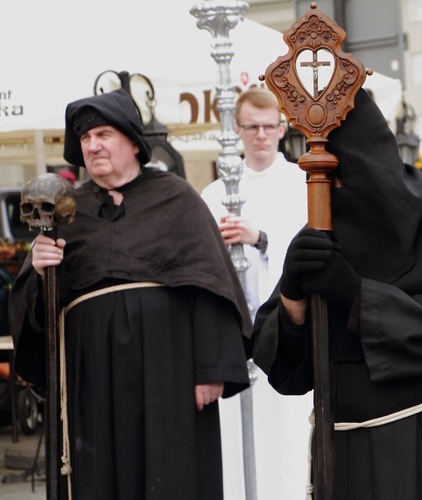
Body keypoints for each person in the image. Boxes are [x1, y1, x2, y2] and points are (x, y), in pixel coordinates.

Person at [251, 88, 422, 500]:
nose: (331, 191)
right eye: (319, 180)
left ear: (368, 160)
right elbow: (287, 373)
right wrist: (292, 296)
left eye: (337, 174)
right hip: (344, 456)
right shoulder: (323, 232)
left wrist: (355, 295)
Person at [9, 88, 252, 499]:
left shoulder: (177, 199)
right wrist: (39, 269)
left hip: (168, 368)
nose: (93, 145)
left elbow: (210, 282)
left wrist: (210, 369)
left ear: (134, 143)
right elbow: (36, 309)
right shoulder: (65, 211)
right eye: (85, 139)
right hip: (90, 373)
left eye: (103, 134)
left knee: (169, 471)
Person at [201, 87, 311, 499]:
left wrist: (262, 238)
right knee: (237, 444)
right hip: (235, 336)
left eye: (269, 127)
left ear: (282, 128)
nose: (261, 135)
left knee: (287, 441)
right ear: (237, 130)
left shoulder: (303, 183)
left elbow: (311, 251)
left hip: (286, 336)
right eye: (252, 127)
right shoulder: (214, 195)